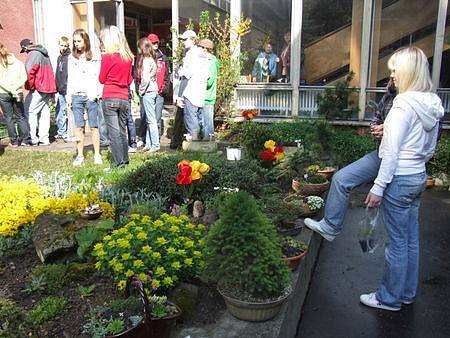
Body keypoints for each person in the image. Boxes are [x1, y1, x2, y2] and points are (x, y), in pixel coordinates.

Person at [307, 47, 444, 311]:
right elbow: (429, 150)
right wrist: (413, 160)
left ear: (408, 71)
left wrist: (379, 187)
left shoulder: (404, 104)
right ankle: (405, 294)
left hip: (400, 178)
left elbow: (391, 153)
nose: (392, 74)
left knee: (396, 244)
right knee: (410, 240)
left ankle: (389, 298)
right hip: (417, 176)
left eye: (395, 70)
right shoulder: (431, 103)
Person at [99, 25, 134, 169]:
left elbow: (101, 79)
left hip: (110, 96)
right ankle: (124, 161)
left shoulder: (108, 57)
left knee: (113, 133)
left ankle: (118, 164)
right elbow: (130, 80)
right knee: (122, 131)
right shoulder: (128, 57)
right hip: (124, 97)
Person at [67, 29, 102, 166]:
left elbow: (98, 77)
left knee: (94, 126)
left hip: (90, 96)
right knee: (79, 127)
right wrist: (69, 97)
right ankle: (80, 155)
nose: (76, 44)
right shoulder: (72, 57)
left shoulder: (94, 56)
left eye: (79, 41)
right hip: (76, 95)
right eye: (75, 41)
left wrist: (96, 93)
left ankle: (97, 154)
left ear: (85, 41)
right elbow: (70, 78)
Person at [20, 38, 56, 146]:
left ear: (25, 47)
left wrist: (30, 86)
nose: (25, 53)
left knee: (30, 111)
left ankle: (33, 138)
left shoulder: (33, 54)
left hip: (39, 87)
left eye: (24, 51)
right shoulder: (44, 53)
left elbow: (30, 71)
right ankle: (44, 139)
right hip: (48, 87)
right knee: (44, 112)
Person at [176, 30, 210, 138]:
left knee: (191, 124)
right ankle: (200, 145)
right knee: (199, 122)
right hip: (200, 94)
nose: (183, 42)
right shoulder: (203, 55)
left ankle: (193, 148)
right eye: (182, 40)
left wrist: (179, 96)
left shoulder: (190, 55)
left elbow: (185, 77)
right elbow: (208, 76)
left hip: (190, 93)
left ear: (193, 40)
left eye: (185, 39)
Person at [0, 42, 30, 147]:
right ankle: (25, 140)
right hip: (18, 92)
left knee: (9, 118)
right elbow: (24, 77)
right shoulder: (18, 62)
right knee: (20, 117)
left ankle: (14, 141)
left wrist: (10, 89)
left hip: (3, 93)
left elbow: (1, 81)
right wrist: (15, 88)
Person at [137, 38, 159, 152]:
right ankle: (149, 144)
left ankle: (155, 145)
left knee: (151, 119)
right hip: (153, 90)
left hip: (148, 91)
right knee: (150, 118)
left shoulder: (145, 60)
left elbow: (145, 79)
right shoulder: (152, 59)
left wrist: (140, 90)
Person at [148, 33, 171, 137]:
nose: (156, 44)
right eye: (153, 43)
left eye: (157, 42)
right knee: (147, 117)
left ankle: (156, 139)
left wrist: (164, 89)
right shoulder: (144, 57)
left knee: (157, 117)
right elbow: (138, 75)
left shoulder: (164, 58)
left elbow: (167, 75)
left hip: (159, 92)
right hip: (147, 91)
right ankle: (147, 139)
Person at [198, 38, 219, 140]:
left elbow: (210, 81)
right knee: (203, 121)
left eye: (200, 48)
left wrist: (198, 82)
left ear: (205, 49)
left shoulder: (211, 62)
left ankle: (209, 145)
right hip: (202, 96)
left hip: (207, 96)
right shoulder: (206, 61)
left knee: (208, 123)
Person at [55, 36, 71, 141]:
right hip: (60, 89)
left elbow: (67, 74)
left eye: (65, 46)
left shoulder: (68, 58)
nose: (63, 48)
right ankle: (61, 131)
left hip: (66, 89)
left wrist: (64, 86)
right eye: (62, 45)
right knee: (59, 110)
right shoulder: (60, 57)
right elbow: (58, 73)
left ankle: (66, 132)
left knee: (66, 111)